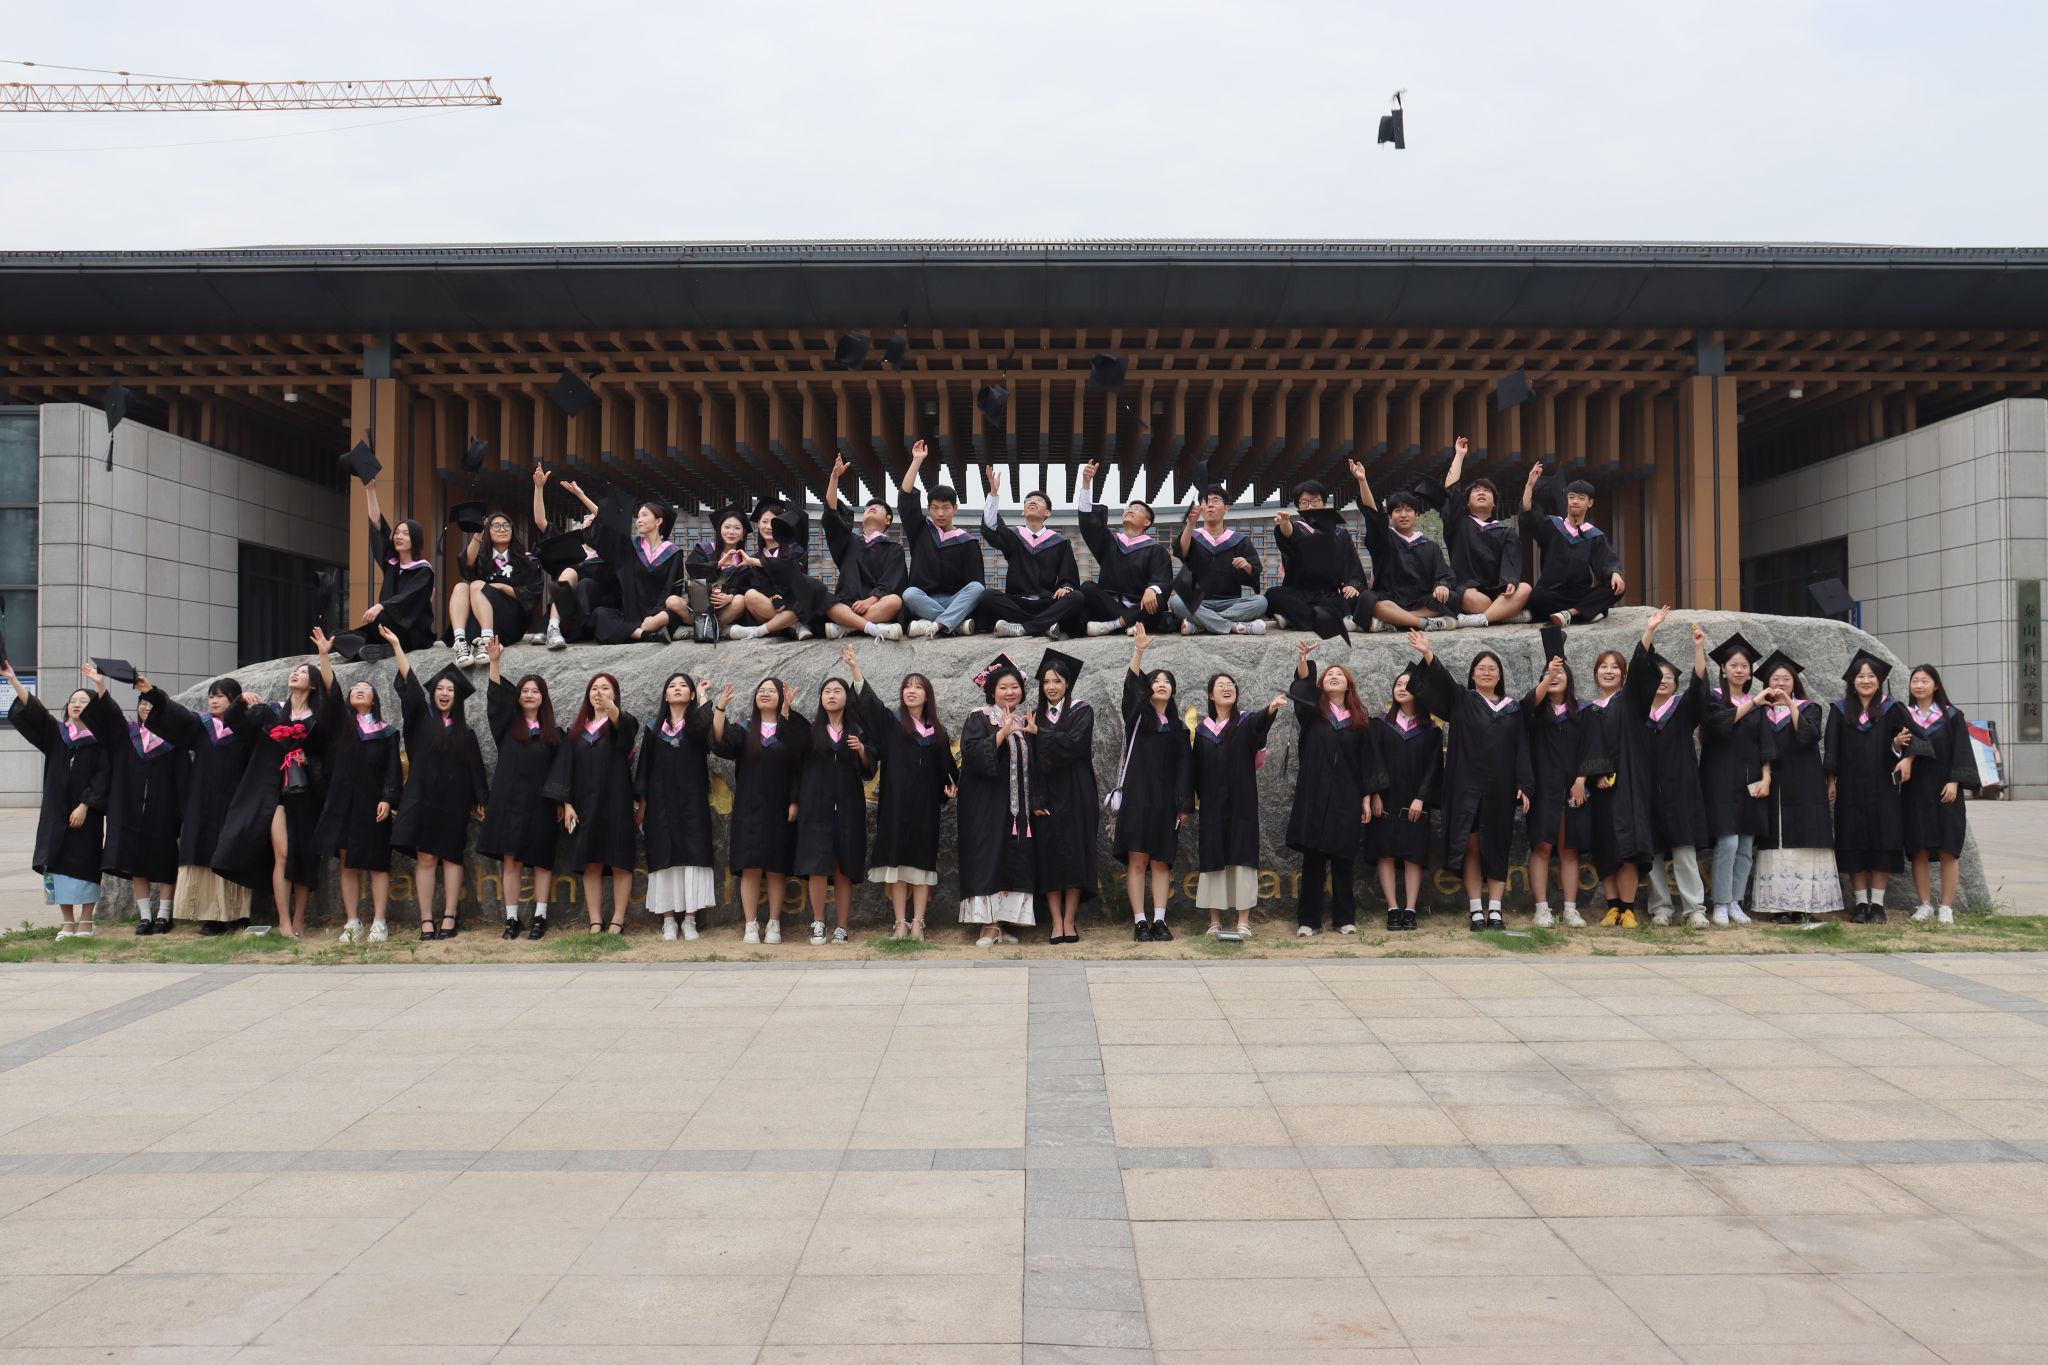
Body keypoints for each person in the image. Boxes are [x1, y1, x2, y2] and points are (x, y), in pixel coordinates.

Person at [1408, 633, 1532, 930]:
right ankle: (1476, 909)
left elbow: (1522, 748)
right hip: (1467, 787)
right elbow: (1443, 680)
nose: (1487, 672)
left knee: (1498, 846)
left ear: (1500, 676)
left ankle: (1496, 910)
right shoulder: (1462, 700)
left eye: (1492, 669)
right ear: (1472, 675)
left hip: (1500, 789)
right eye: (1481, 668)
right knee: (1472, 847)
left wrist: (1524, 785)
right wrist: (1428, 654)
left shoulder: (1513, 710)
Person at [136, 672, 262, 935]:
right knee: (204, 854)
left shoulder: (247, 728)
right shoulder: (201, 727)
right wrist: (151, 692)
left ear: (234, 699)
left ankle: (237, 914)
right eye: (211, 696)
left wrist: (244, 706)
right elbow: (177, 714)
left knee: (232, 853)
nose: (213, 701)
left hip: (235, 802)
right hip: (202, 802)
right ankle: (211, 917)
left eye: (221, 696)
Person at [386, 627, 488, 941]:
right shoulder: (421, 723)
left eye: (450, 690)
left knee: (452, 856)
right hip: (423, 798)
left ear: (457, 698)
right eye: (440, 689)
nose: (444, 693)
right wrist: (397, 646)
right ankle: (426, 919)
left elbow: (475, 768)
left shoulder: (465, 733)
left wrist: (481, 798)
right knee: (427, 857)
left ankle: (450, 916)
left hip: (454, 800)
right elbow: (412, 690)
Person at [846, 650, 955, 940]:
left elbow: (947, 769)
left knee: (921, 865)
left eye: (918, 687)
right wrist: (855, 669)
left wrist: (950, 785)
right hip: (895, 806)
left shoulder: (938, 732)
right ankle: (900, 923)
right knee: (896, 866)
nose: (911, 691)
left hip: (925, 808)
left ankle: (918, 922)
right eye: (907, 686)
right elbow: (871, 705)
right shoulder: (892, 725)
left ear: (927, 696)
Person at [217, 659, 326, 939]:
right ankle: (284, 921)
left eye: (303, 672)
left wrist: (309, 758)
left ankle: (299, 919)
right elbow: (235, 724)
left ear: (314, 684)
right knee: (284, 854)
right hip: (274, 792)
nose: (296, 674)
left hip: (306, 793)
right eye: (295, 670)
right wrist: (240, 701)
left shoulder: (318, 718)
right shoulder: (271, 711)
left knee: (304, 856)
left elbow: (329, 753)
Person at [1288, 640, 1384, 936]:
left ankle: (1344, 918)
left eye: (1339, 674)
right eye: (1329, 674)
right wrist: (1303, 662)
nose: (1333, 676)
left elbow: (1367, 762)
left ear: (1348, 685)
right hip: (1314, 795)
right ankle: (1308, 921)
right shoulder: (1312, 713)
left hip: (1346, 796)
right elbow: (1302, 689)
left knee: (1343, 859)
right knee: (1313, 861)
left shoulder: (1359, 721)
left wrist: (1366, 798)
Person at [5, 662, 108, 937]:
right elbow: (35, 713)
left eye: (83, 701)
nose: (77, 704)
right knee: (58, 865)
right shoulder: (57, 735)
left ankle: (87, 920)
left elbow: (103, 775)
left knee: (86, 864)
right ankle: (67, 921)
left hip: (86, 814)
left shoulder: (101, 741)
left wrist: (85, 805)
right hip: (56, 813)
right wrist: (13, 680)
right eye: (73, 701)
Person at [81, 671, 188, 936]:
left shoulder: (173, 741)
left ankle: (164, 916)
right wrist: (101, 686)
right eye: (142, 702)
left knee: (165, 861)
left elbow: (184, 778)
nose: (146, 707)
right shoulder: (127, 735)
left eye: (151, 703)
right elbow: (111, 716)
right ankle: (145, 916)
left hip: (163, 811)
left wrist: (182, 812)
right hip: (131, 811)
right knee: (136, 863)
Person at [311, 631, 402, 942]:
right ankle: (352, 921)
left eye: (366, 689)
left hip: (373, 803)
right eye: (356, 689)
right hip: (342, 803)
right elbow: (330, 691)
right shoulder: (341, 726)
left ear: (374, 700)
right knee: (348, 863)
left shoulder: (387, 732)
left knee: (377, 863)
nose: (360, 690)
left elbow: (393, 770)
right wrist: (324, 655)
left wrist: (388, 798)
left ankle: (379, 921)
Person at [712, 678, 810, 944]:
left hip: (780, 806)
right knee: (750, 866)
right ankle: (751, 924)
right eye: (761, 691)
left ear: (781, 697)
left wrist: (795, 801)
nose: (765, 694)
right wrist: (720, 709)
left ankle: (775, 923)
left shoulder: (790, 727)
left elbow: (799, 764)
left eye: (771, 691)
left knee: (777, 866)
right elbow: (719, 743)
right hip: (749, 807)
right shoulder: (745, 729)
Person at [477, 638, 561, 940]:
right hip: (509, 802)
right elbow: (496, 701)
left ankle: (540, 917)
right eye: (524, 691)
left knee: (541, 860)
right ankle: (512, 919)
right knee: (511, 860)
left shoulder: (554, 734)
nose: (529, 695)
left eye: (535, 691)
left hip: (541, 804)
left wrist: (561, 801)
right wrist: (495, 662)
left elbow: (561, 771)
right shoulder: (508, 727)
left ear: (543, 698)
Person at [1190, 671, 1284, 937]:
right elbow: (1195, 771)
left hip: (1242, 803)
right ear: (1211, 695)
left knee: (1242, 859)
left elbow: (1259, 724)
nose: (1227, 688)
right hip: (1212, 806)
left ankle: (1243, 920)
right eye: (1220, 685)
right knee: (1214, 859)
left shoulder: (1245, 722)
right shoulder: (1203, 731)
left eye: (1230, 684)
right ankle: (1215, 921)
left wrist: (1271, 709)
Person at [547, 672, 642, 934]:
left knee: (620, 860)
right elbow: (565, 768)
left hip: (616, 803)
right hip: (585, 805)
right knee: (591, 862)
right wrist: (566, 804)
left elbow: (627, 736)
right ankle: (595, 920)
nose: (598, 692)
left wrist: (611, 709)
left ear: (615, 695)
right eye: (594, 688)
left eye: (605, 688)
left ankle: (618, 920)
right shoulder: (576, 732)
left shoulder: (621, 724)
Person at [1636, 612, 1713, 929]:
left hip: (1680, 788)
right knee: (1653, 852)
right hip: (1647, 788)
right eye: (1658, 676)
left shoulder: (1682, 709)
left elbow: (1699, 687)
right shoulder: (1637, 711)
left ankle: (1695, 908)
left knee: (1683, 850)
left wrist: (1698, 649)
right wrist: (1650, 631)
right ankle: (1661, 908)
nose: (1664, 680)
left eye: (1669, 677)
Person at [1752, 651, 1840, 923]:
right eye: (1775, 678)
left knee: (1805, 838)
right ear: (1767, 682)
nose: (1780, 683)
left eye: (1786, 679)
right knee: (1776, 841)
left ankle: (1804, 906)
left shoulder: (1810, 708)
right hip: (1774, 784)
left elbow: (1808, 736)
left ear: (1794, 683)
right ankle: (1780, 907)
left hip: (1805, 784)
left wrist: (1790, 704)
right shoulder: (1759, 711)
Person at [957, 653, 1039, 945]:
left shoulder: (1025, 721)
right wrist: (1003, 732)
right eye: (1003, 687)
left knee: (1012, 856)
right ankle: (988, 925)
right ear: (992, 691)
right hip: (985, 804)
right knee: (987, 856)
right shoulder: (979, 717)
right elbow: (972, 755)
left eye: (1015, 687)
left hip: (1017, 807)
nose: (1009, 692)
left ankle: (1003, 923)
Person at [636, 671, 719, 942]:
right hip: (660, 805)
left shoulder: (695, 727)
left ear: (691, 694)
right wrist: (642, 806)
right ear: (665, 694)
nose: (677, 688)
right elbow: (644, 769)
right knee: (664, 856)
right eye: (672, 685)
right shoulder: (653, 729)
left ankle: (690, 920)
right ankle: (669, 920)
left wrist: (704, 696)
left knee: (694, 855)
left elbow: (708, 730)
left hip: (693, 802)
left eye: (684, 685)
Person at [794, 675, 876, 945]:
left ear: (846, 697)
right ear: (820, 698)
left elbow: (869, 768)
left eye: (837, 691)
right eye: (827, 691)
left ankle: (842, 926)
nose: (831, 695)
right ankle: (818, 922)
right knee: (817, 865)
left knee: (843, 866)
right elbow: (795, 765)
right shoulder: (810, 731)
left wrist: (861, 750)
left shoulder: (857, 731)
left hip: (848, 807)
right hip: (815, 807)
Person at [1827, 649, 1908, 922]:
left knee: (1883, 840)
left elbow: (1910, 741)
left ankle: (1878, 905)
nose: (1866, 680)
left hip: (1883, 787)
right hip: (1849, 787)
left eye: (1871, 676)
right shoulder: (1840, 710)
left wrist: (1898, 748)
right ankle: (1861, 904)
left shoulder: (1892, 709)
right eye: (1860, 676)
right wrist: (1830, 780)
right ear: (1852, 681)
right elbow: (1832, 750)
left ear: (1879, 680)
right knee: (1853, 841)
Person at [1577, 648, 1656, 927]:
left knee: (1628, 847)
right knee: (1605, 847)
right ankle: (1612, 907)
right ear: (1595, 673)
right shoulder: (1589, 709)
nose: (1608, 671)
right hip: (1600, 790)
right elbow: (1586, 747)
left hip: (1628, 785)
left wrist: (1648, 633)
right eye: (1603, 666)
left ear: (1624, 675)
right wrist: (1593, 774)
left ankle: (1628, 909)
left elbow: (1642, 675)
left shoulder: (1629, 701)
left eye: (1615, 667)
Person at [1422, 435, 1531, 626]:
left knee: (1525, 589)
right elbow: (1451, 489)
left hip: (1498, 591)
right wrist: (1459, 455)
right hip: (1468, 590)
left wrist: (1510, 582)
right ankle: (1504, 614)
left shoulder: (1506, 532)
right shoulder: (1459, 523)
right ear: (1467, 502)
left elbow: (1511, 564)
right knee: (1470, 597)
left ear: (1494, 503)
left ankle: (1485, 617)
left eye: (1487, 491)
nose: (1482, 492)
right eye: (1477, 490)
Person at [1701, 632, 1772, 926]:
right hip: (1720, 779)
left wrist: (1766, 777)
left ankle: (1735, 902)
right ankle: (1719, 902)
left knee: (1745, 846)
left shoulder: (1760, 706)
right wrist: (1754, 702)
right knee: (1728, 842)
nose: (1740, 670)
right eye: (1734, 665)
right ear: (1723, 668)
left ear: (1750, 671)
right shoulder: (1714, 699)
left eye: (1745, 666)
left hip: (1752, 781)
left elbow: (1766, 744)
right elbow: (1720, 726)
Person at [1899, 663, 1976, 925]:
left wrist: (1955, 781)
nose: (1919, 685)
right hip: (1914, 790)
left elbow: (1961, 750)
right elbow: (1893, 753)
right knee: (1918, 847)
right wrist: (1896, 745)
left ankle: (1946, 907)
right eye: (1915, 681)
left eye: (1924, 681)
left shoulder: (1952, 716)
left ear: (1936, 685)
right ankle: (1924, 905)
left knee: (1947, 849)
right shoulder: (1903, 715)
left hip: (1945, 789)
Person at [1031, 649, 1097, 944]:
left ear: (1067, 683)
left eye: (1057, 681)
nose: (1051, 687)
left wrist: (1040, 733)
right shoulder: (1034, 716)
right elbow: (1031, 762)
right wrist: (1036, 797)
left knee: (1075, 856)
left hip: (1077, 792)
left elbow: (1074, 745)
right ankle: (1055, 922)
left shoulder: (1082, 711)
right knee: (1049, 857)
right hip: (1047, 794)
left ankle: (1070, 921)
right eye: (1046, 681)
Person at [1367, 667, 1441, 932]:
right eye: (1398, 683)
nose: (1401, 688)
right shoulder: (1380, 724)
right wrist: (1375, 793)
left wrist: (1422, 798)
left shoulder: (1431, 730)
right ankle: (1392, 908)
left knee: (1413, 855)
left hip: (1414, 801)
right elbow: (1372, 759)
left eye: (1408, 684)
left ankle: (1410, 908)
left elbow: (1434, 767)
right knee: (1385, 853)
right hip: (1386, 799)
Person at [976, 466, 1089, 639]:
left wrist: (1066, 587)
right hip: (1017, 602)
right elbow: (991, 529)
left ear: (1047, 513)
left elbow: (1069, 577)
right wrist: (993, 493)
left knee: (1077, 597)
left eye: (1039, 501)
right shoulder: (1014, 536)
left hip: (1048, 602)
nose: (1032, 502)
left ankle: (1022, 628)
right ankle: (1044, 625)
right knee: (988, 595)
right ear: (1023, 511)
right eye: (1028, 500)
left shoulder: (1060, 542)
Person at [1525, 653, 1591, 929]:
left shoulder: (1584, 711)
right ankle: (1541, 909)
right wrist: (1548, 675)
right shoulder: (1534, 712)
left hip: (1573, 788)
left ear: (1570, 680)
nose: (1554, 678)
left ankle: (1570, 910)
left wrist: (1581, 779)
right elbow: (1529, 703)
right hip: (1542, 788)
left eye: (1560, 674)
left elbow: (1591, 746)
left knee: (1569, 849)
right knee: (1541, 846)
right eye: (1549, 675)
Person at [1075, 459, 1175, 636]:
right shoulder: (1110, 541)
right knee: (1087, 587)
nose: (1130, 510)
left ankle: (1112, 625)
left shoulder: (1156, 550)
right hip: (1109, 605)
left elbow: (1163, 581)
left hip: (1139, 604)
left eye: (1137, 509)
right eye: (1128, 508)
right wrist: (1086, 483)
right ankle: (1129, 623)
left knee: (1157, 598)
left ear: (1147, 522)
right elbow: (1089, 525)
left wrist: (1152, 589)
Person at [1519, 463, 1624, 628]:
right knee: (1537, 596)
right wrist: (1530, 485)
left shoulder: (1594, 535)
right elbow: (1528, 515)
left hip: (1579, 594)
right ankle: (1586, 613)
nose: (1575, 501)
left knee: (1616, 587)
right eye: (1571, 497)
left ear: (1590, 503)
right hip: (1552, 593)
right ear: (1566, 499)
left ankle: (1570, 614)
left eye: (1581, 498)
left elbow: (1607, 562)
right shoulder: (1553, 525)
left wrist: (1615, 573)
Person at [1267, 477, 1373, 641]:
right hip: (1298, 595)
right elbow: (1288, 536)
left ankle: (1294, 619)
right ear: (1298, 507)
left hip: (1329, 595)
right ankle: (1330, 622)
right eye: (1304, 502)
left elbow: (1352, 567)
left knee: (1357, 597)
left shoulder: (1339, 534)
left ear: (1324, 503)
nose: (1310, 506)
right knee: (1272, 595)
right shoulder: (1296, 529)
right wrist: (1284, 523)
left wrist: (1352, 585)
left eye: (1315, 501)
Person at [899, 440, 987, 638]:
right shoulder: (920, 530)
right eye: (935, 508)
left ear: (955, 508)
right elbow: (905, 498)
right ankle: (954, 624)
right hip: (924, 599)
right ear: (929, 509)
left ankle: (937, 623)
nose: (940, 513)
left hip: (954, 600)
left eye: (945, 508)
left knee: (977, 588)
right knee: (909, 593)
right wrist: (916, 461)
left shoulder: (967, 541)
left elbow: (975, 586)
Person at [1356, 463, 1458, 632]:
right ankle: (1423, 623)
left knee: (1452, 597)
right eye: (1397, 511)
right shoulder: (1384, 539)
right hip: (1389, 598)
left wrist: (1442, 585)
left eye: (1408, 510)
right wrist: (1362, 480)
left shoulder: (1430, 546)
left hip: (1420, 601)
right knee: (1368, 599)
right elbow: (1373, 515)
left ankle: (1397, 620)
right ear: (1390, 517)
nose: (1403, 514)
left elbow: (1444, 574)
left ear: (1416, 515)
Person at [820, 457, 909, 641]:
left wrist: (870, 601)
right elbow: (831, 515)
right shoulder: (849, 542)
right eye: (868, 507)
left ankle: (847, 626)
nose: (872, 508)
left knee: (894, 601)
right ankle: (864, 625)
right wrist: (834, 478)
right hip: (846, 604)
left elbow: (890, 583)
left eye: (879, 507)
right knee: (820, 596)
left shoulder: (894, 549)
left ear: (888, 520)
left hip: (876, 605)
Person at [450, 508, 544, 668]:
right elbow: (466, 566)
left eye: (507, 526)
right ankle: (460, 641)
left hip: (510, 621)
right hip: (479, 621)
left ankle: (488, 640)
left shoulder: (527, 560)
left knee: (477, 585)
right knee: (461, 587)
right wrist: (479, 533)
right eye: (496, 526)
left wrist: (500, 587)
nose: (502, 530)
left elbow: (532, 594)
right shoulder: (482, 558)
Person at [1172, 482, 1268, 635]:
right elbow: (1182, 551)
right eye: (1205, 501)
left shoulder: (1239, 540)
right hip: (1198, 601)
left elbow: (1255, 572)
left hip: (1231, 603)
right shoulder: (1192, 536)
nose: (1210, 505)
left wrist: (1247, 566)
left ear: (1226, 508)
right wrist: (1190, 524)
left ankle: (1201, 624)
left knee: (1261, 602)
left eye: (1215, 500)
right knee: (1176, 602)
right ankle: (1232, 626)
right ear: (1201, 508)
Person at [588, 497, 688, 644]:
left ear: (658, 521)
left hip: (658, 612)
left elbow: (672, 589)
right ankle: (646, 635)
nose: (639, 520)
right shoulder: (631, 546)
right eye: (638, 516)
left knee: (668, 615)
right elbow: (610, 525)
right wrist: (581, 496)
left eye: (644, 515)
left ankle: (645, 628)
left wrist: (656, 614)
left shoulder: (673, 553)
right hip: (630, 613)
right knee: (600, 613)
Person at [532, 469, 610, 648]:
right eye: (588, 519)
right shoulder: (570, 546)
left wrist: (581, 495)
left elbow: (606, 520)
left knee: (584, 583)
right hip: (568, 601)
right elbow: (540, 522)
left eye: (595, 520)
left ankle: (551, 626)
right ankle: (553, 627)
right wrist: (538, 488)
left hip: (593, 604)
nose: (591, 520)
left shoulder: (606, 552)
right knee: (568, 573)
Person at [359, 477, 437, 650]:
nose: (399, 536)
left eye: (405, 534)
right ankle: (385, 649)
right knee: (345, 636)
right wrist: (370, 490)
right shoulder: (392, 563)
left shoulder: (424, 570)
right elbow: (378, 525)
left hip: (413, 631)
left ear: (415, 539)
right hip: (389, 624)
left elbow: (408, 597)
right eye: (397, 533)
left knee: (377, 619)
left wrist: (381, 606)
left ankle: (387, 648)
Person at [733, 499, 827, 641]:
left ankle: (783, 625)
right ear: (758, 524)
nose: (768, 527)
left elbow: (794, 576)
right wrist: (771, 596)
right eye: (764, 522)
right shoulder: (753, 558)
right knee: (750, 595)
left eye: (773, 522)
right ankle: (794, 625)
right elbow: (756, 588)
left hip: (794, 607)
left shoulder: (795, 550)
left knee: (806, 598)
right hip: (772, 611)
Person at [686, 506, 758, 635]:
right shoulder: (703, 550)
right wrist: (718, 564)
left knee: (739, 601)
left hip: (725, 609)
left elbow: (746, 588)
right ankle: (710, 630)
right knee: (673, 601)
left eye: (737, 528)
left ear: (743, 533)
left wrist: (730, 597)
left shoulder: (744, 561)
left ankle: (702, 631)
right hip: (700, 605)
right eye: (727, 527)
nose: (731, 532)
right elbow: (693, 573)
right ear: (719, 529)